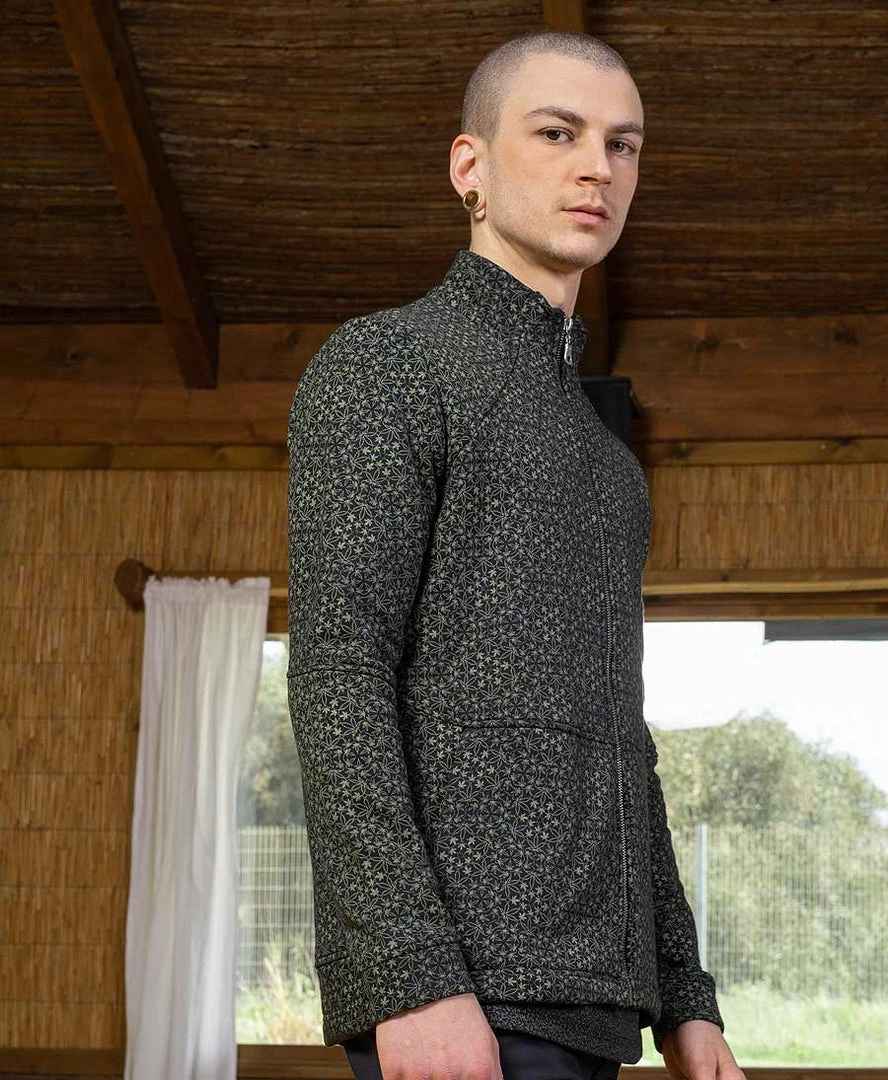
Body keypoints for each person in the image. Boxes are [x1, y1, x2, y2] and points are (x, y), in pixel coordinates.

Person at [286, 28, 746, 1080]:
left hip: (601, 1011)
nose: (598, 168)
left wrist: (686, 995)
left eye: (623, 145)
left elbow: (623, 741)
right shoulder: (387, 363)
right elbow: (339, 677)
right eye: (557, 133)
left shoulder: (608, 463)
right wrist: (411, 980)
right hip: (462, 1001)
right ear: (472, 167)